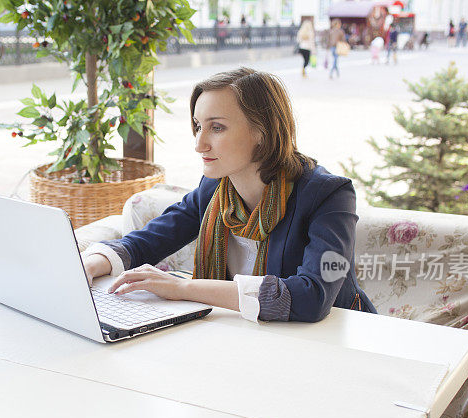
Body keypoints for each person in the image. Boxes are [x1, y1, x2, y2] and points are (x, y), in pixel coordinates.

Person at [80, 68, 376, 323]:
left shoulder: (330, 195)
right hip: (244, 338)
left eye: (216, 127)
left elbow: (314, 296)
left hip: (332, 346)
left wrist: (183, 289)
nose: (199, 144)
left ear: (262, 131)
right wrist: (92, 262)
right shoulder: (214, 188)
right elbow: (148, 240)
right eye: (198, 126)